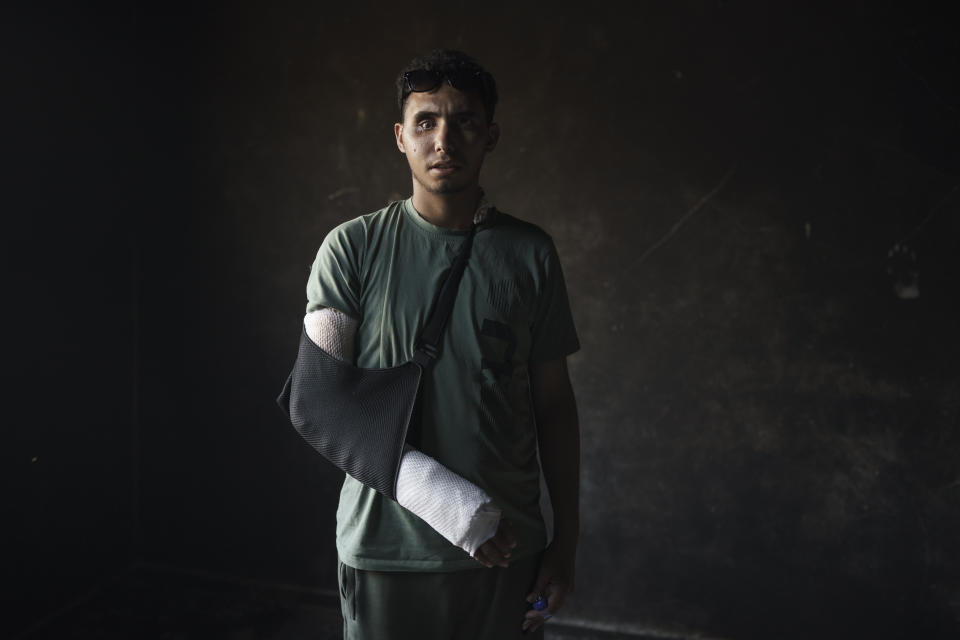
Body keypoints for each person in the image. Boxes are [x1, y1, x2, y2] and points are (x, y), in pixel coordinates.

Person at [304, 48, 580, 638]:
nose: (443, 139)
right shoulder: (351, 249)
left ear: (491, 136)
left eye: (465, 122)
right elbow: (318, 402)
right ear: (400, 137)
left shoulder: (530, 254)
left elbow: (554, 406)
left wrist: (566, 541)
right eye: (426, 122)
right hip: (386, 548)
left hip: (507, 545)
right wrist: (448, 503)